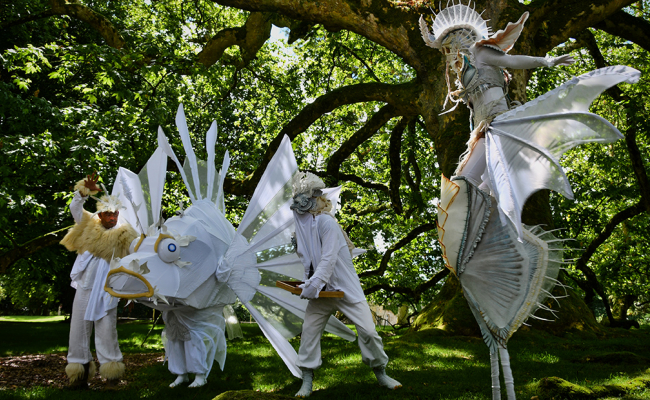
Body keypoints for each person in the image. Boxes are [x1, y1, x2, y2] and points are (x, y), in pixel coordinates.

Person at [419, 2, 639, 399]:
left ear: (466, 36)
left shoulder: (483, 51)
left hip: (498, 127)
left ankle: (508, 235)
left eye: (454, 41)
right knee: (464, 190)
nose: (452, 49)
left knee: (462, 186)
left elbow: (516, 58)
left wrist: (548, 59)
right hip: (480, 136)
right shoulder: (462, 68)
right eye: (447, 46)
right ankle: (488, 240)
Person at [290, 172, 401, 398]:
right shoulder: (302, 228)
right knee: (309, 332)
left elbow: (328, 259)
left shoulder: (326, 222)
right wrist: (311, 284)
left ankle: (380, 372)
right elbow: (309, 260)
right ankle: (307, 379)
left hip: (345, 288)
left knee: (369, 331)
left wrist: (313, 286)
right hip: (321, 292)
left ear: (313, 200)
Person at [60, 173, 137, 388]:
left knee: (106, 330)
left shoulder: (125, 234)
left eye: (115, 214)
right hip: (85, 287)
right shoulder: (88, 226)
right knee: (78, 329)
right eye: (107, 214)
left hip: (107, 289)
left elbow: (136, 257)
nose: (112, 218)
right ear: (100, 215)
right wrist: (83, 192)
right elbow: (75, 209)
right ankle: (78, 375)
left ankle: (112, 377)